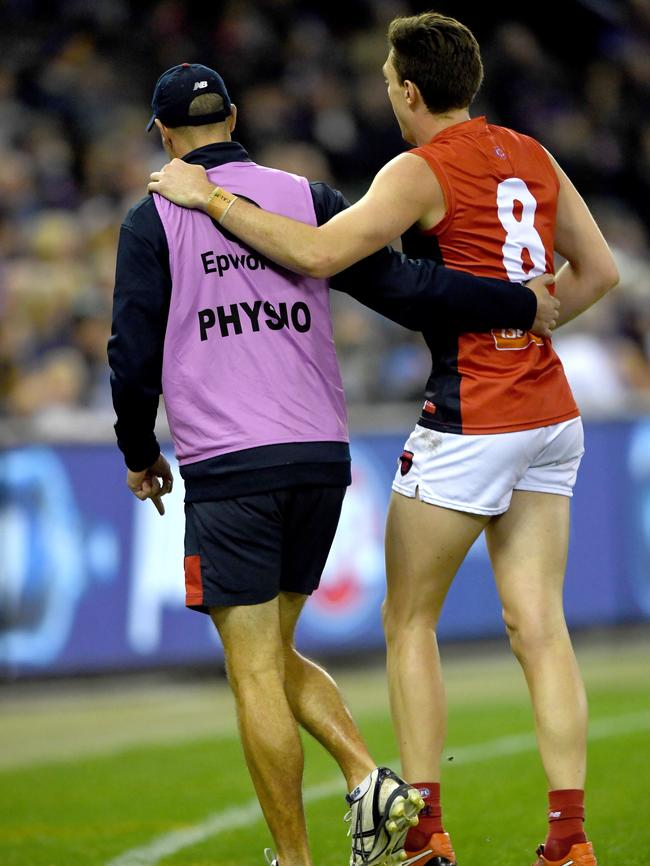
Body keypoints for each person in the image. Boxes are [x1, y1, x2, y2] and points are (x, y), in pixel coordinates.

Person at [147, 14, 619, 866]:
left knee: (408, 621)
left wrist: (212, 198)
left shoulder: (418, 167)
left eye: (387, 80)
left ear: (409, 90)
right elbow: (601, 272)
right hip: (553, 412)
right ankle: (569, 839)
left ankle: (427, 829)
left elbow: (322, 255)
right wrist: (530, 324)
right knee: (541, 627)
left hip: (474, 413)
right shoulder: (536, 155)